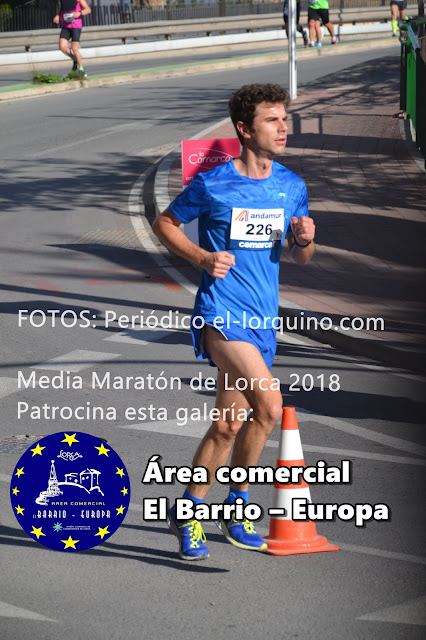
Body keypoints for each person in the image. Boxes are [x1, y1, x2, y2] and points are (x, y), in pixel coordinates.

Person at [152, 83, 315, 561]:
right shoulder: (213, 184)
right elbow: (165, 223)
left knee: (227, 426)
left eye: (284, 119)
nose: (283, 128)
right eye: (271, 120)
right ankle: (237, 506)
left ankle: (187, 510)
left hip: (264, 319)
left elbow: (301, 258)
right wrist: (202, 257)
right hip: (222, 314)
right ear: (244, 129)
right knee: (270, 405)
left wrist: (305, 238)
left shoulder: (292, 186)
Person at [53, 0, 91, 76]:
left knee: (74, 48)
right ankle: (74, 59)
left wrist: (79, 13)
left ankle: (81, 69)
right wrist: (58, 15)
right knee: (62, 47)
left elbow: (88, 10)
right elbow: (62, 9)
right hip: (65, 26)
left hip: (76, 26)